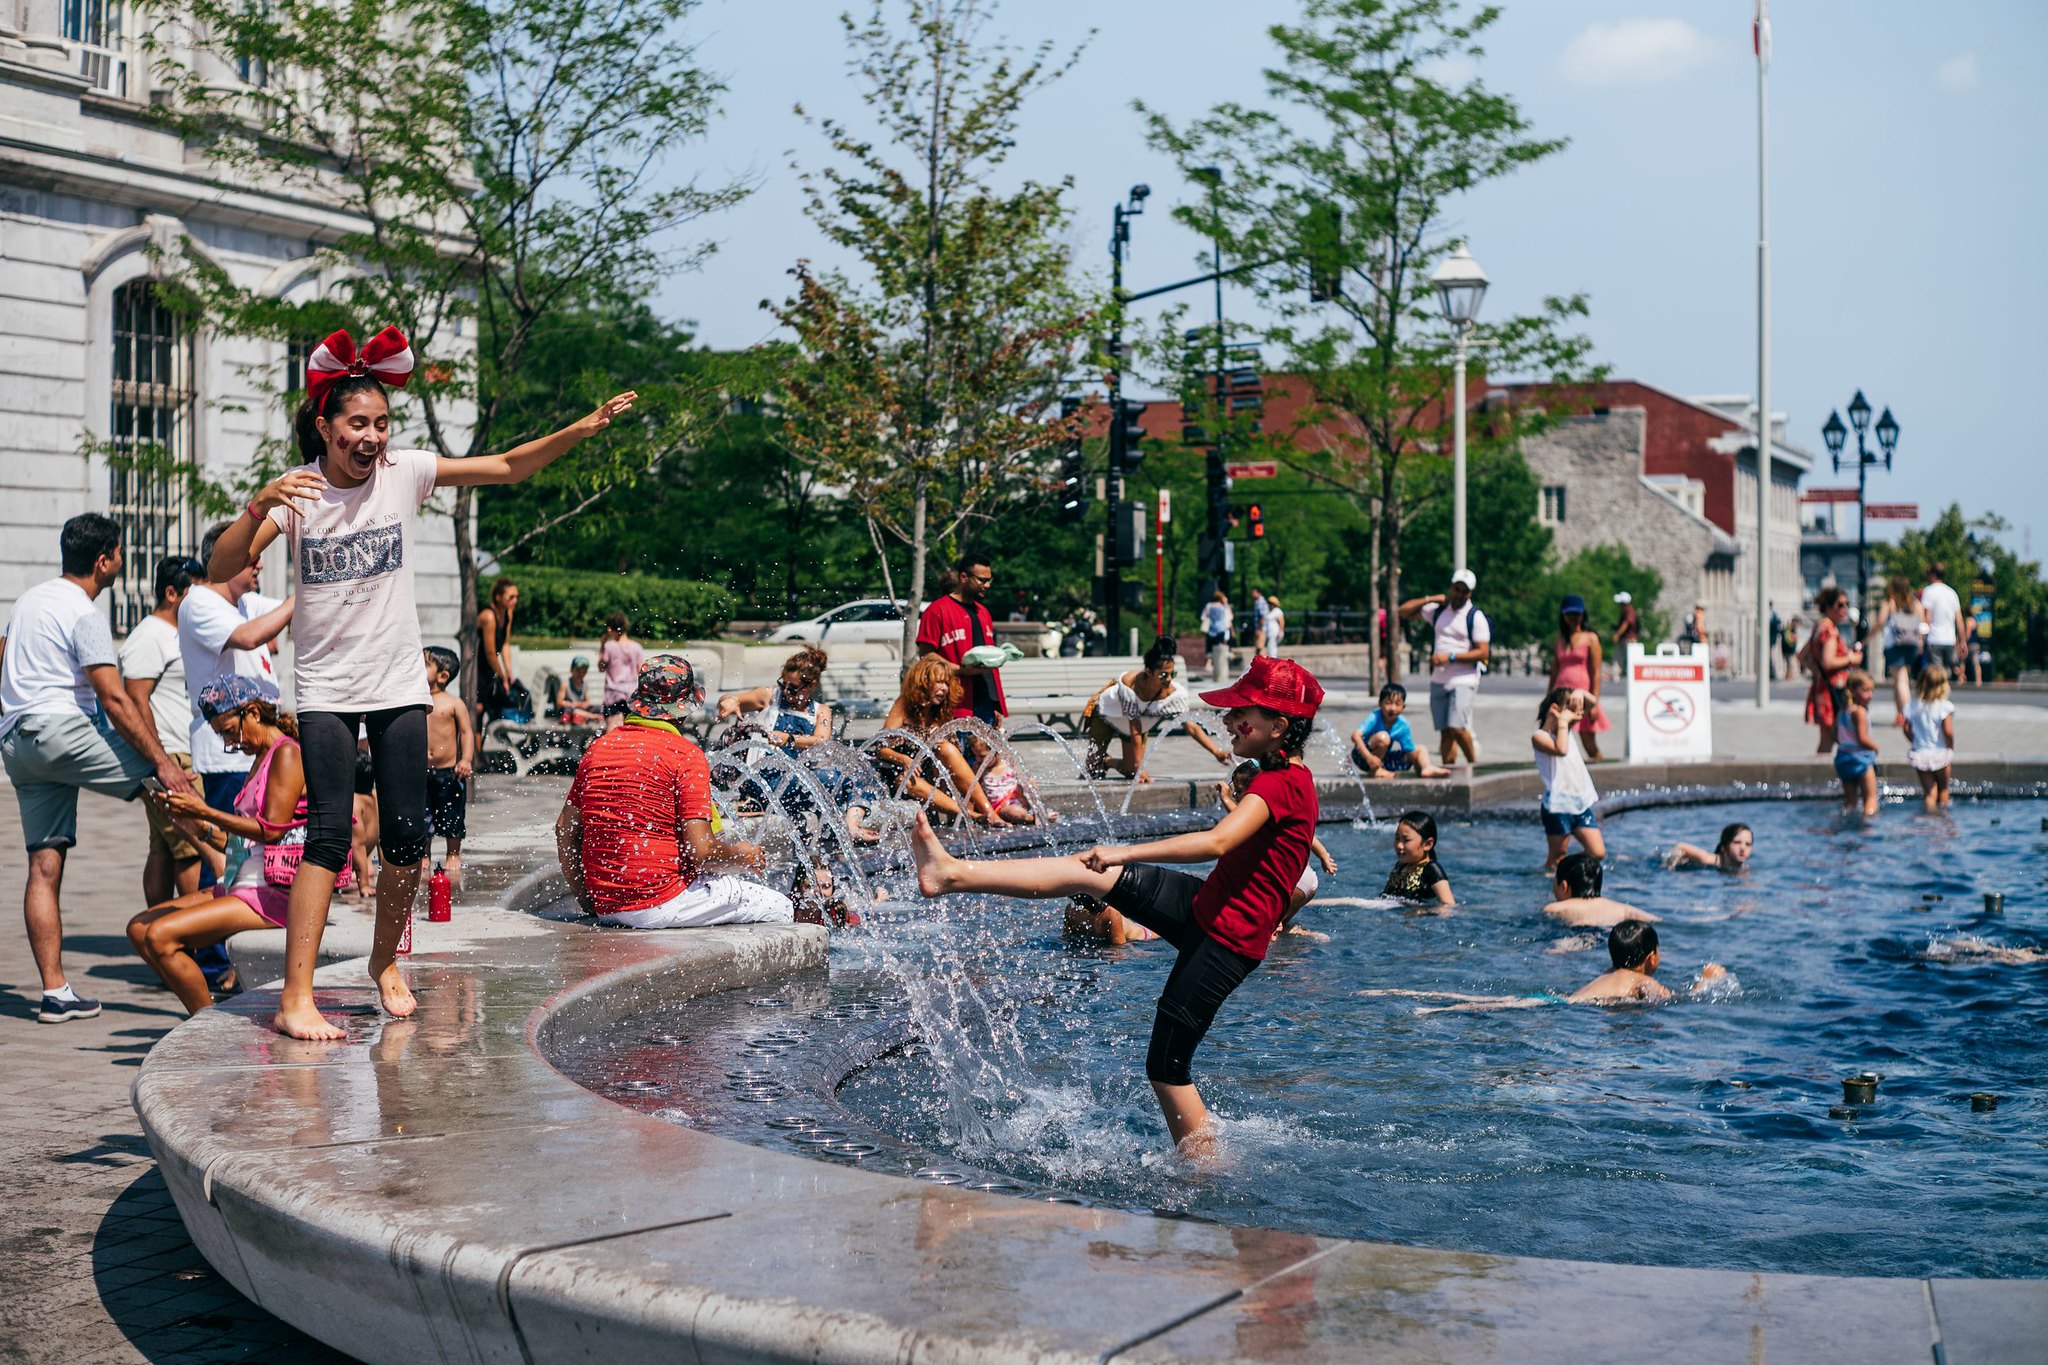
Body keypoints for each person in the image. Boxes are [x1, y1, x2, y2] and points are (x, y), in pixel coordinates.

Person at [210, 322, 636, 1038]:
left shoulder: (405, 472)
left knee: (409, 834)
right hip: (325, 689)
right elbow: (223, 567)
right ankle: (295, 996)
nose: (372, 436)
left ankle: (384, 961)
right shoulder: (298, 494)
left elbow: (505, 467)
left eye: (381, 422)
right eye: (356, 423)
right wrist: (258, 502)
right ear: (325, 425)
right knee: (328, 833)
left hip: (399, 682)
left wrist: (582, 428)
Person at [906, 655, 1324, 1157]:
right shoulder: (1278, 778)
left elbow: (1217, 843)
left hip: (1225, 941)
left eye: (1242, 713)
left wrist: (1125, 850)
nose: (1229, 721)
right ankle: (950, 873)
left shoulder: (1280, 784)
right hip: (1207, 909)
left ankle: (1207, 1179)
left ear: (1278, 727)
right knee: (1091, 874)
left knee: (1166, 1069)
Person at [0, 514, 197, 1022]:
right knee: (176, 795)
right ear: (104, 560)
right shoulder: (83, 612)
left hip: (20, 742)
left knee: (44, 863)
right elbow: (113, 697)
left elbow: (2, 658)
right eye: (119, 553)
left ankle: (55, 994)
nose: (122, 561)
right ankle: (227, 937)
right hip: (63, 732)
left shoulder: (29, 601)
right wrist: (162, 763)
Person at [125, 678, 322, 1015]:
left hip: (274, 892)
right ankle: (207, 1010)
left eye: (230, 731)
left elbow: (271, 831)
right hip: (242, 880)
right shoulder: (261, 757)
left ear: (254, 713)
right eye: (223, 736)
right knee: (139, 928)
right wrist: (192, 824)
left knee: (159, 936)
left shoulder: (287, 753)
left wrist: (205, 810)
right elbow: (240, 843)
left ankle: (205, 1022)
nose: (230, 742)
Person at [555, 656, 795, 928]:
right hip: (662, 901)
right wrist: (743, 856)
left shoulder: (598, 749)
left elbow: (564, 829)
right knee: (780, 908)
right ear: (683, 708)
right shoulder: (684, 755)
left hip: (606, 905)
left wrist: (588, 900)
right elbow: (701, 851)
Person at [179, 517, 295, 995]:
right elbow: (249, 638)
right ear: (223, 560)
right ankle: (210, 962)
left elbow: (292, 611)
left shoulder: (242, 601)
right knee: (226, 850)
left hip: (257, 743)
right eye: (251, 557)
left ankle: (232, 947)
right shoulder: (200, 602)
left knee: (245, 851)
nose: (260, 564)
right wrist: (300, 597)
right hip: (228, 748)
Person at [717, 646, 885, 843]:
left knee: (862, 776)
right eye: (783, 684)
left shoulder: (821, 711)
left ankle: (850, 827)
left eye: (793, 687)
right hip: (764, 781)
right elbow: (733, 698)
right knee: (833, 780)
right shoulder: (770, 697)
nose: (786, 691)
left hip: (798, 783)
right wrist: (728, 702)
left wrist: (789, 739)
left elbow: (821, 740)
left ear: (811, 685)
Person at [120, 554, 213, 908]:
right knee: (191, 848)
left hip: (181, 753)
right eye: (195, 590)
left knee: (163, 845)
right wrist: (161, 762)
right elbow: (136, 700)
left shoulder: (180, 633)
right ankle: (193, 941)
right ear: (171, 594)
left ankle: (162, 935)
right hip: (171, 756)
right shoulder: (149, 636)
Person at [1367, 924, 1727, 1013]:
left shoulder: (1611, 975)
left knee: (1487, 1001)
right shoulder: (1639, 982)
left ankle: (1406, 993)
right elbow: (1672, 1000)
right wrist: (1706, 983)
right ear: (1652, 957)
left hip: (1557, 1001)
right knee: (1484, 1006)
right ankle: (1430, 1008)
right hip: (1562, 1008)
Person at [1080, 636, 1232, 780]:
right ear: (1148, 671)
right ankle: (1099, 761)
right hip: (1106, 716)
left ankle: (1107, 761)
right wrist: (1140, 768)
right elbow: (1136, 729)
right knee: (1092, 772)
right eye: (1163, 675)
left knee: (1132, 772)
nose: (1169, 680)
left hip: (1132, 728)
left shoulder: (1174, 696)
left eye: (1173, 674)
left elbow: (1191, 727)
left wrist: (1216, 752)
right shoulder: (1131, 686)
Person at [875, 656, 1001, 823]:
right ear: (924, 683)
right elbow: (881, 748)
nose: (944, 689)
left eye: (946, 683)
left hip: (935, 776)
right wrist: (904, 759)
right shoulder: (904, 705)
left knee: (945, 747)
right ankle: (973, 816)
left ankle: (991, 813)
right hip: (902, 778)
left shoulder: (941, 710)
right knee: (906, 781)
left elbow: (953, 757)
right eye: (939, 682)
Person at [1216, 760, 1336, 935]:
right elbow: (1307, 836)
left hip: (1292, 883)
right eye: (1233, 790)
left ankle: (1298, 938)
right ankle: (1293, 931)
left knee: (1262, 930)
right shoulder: (1280, 809)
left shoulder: (1262, 811)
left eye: (1239, 791)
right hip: (1304, 881)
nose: (1234, 795)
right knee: (1275, 922)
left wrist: (1225, 798)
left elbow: (1237, 820)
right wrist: (1324, 856)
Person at [1399, 569, 1490, 770]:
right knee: (1445, 731)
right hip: (1439, 679)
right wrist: (1429, 599)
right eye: (1456, 589)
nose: (1459, 594)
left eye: (1464, 591)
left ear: (1470, 594)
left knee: (1457, 727)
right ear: (1451, 587)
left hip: (1464, 679)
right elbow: (1403, 611)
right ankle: (1449, 771)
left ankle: (1475, 766)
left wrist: (1450, 657)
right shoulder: (1439, 610)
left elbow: (1483, 652)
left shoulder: (1475, 617)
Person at [916, 551, 1007, 731]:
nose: (987, 585)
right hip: (953, 702)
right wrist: (959, 670)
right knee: (956, 757)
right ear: (964, 577)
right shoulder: (937, 610)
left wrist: (995, 704)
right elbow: (926, 655)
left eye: (989, 580)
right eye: (982, 580)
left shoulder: (984, 613)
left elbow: (989, 663)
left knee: (985, 759)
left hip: (984, 703)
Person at [1533, 687, 1604, 870]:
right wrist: (1563, 721)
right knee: (1557, 856)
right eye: (1571, 708)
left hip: (1579, 803)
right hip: (1557, 806)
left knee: (1597, 852)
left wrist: (1579, 692)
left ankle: (1569, 871)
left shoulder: (1567, 729)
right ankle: (1551, 881)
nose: (1577, 713)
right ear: (1555, 709)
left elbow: (1592, 702)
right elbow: (1561, 750)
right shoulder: (1539, 736)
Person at [423, 647, 474, 886]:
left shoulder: (454, 704)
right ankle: (424, 854)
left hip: (449, 771)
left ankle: (453, 853)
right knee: (422, 815)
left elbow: (466, 732)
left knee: (452, 814)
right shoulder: (418, 701)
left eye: (424, 665)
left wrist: (466, 759)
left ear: (443, 676)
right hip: (421, 771)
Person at [1799, 586, 1862, 755]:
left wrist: (1817, 673)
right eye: (1840, 605)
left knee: (1828, 737)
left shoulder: (1820, 626)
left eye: (1846, 604)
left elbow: (1802, 655)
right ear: (1828, 607)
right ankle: (1820, 776)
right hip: (1833, 690)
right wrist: (1851, 658)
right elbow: (1828, 662)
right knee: (1830, 738)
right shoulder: (1830, 630)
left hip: (1823, 687)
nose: (1845, 609)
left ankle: (1821, 775)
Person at [1547, 595, 1610, 761]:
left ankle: (1604, 778)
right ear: (1564, 616)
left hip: (1581, 697)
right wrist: (1548, 698)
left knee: (1589, 743)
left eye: (1577, 614)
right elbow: (1554, 670)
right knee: (1556, 739)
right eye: (1569, 615)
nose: (1573, 619)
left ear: (1583, 615)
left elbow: (1596, 672)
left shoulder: (1591, 638)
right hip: (1561, 694)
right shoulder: (1560, 639)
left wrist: (1595, 702)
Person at [1350, 682, 1449, 779]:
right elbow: (1355, 735)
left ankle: (1426, 768)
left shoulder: (1403, 725)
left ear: (1403, 707)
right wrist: (1368, 757)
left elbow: (1409, 750)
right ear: (1380, 704)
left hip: (1384, 759)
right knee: (1383, 737)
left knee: (1420, 749)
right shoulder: (1374, 717)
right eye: (1388, 703)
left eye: (1397, 704)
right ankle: (1374, 771)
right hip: (1362, 756)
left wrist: (1417, 764)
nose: (1392, 708)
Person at [1542, 852, 1657, 928]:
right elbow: (1655, 921)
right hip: (1606, 933)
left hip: (1579, 935)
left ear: (1563, 886)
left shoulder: (1555, 908)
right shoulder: (1622, 909)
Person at [1872, 575, 1926, 723]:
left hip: (1895, 644)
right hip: (1912, 644)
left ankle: (1908, 715)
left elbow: (1880, 621)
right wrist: (1921, 642)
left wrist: (1867, 638)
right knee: (1899, 679)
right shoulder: (1915, 603)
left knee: (1901, 678)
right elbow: (1923, 623)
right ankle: (1900, 715)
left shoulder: (1890, 602)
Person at [1904, 663, 1956, 812]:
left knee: (1929, 793)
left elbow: (1906, 728)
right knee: (1943, 790)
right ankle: (1943, 820)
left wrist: (1914, 740)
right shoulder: (1944, 706)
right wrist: (1950, 745)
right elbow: (1948, 731)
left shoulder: (1912, 706)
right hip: (1940, 753)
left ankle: (1927, 820)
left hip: (1921, 753)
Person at [1381, 810, 1454, 908]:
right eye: (1397, 838)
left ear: (1427, 844)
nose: (1399, 845)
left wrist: (1424, 912)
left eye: (1406, 840)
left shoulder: (1432, 869)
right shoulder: (1400, 866)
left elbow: (1449, 906)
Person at [1833, 668, 1880, 816]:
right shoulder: (1859, 712)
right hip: (1861, 759)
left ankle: (1847, 822)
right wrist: (1875, 747)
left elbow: (1836, 735)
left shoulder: (1842, 711)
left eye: (1872, 691)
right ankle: (1868, 826)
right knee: (1871, 798)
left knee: (1850, 802)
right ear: (1852, 690)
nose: (1870, 695)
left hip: (1843, 758)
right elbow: (1862, 738)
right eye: (1865, 690)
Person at [476, 578, 518, 722]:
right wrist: (502, 676)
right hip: (477, 668)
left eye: (517, 597)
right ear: (498, 597)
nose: (515, 600)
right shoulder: (489, 617)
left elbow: (505, 643)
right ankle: (474, 744)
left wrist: (509, 672)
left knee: (493, 708)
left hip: (490, 668)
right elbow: (490, 654)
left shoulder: (508, 613)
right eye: (511, 597)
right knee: (478, 710)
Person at [598, 611, 645, 732]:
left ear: (609, 629)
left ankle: (610, 750)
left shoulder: (609, 646)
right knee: (631, 729)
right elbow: (641, 672)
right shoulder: (636, 647)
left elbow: (601, 667)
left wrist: (602, 646)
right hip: (631, 693)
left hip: (613, 694)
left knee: (612, 728)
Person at [1920, 563, 1963, 674]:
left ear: (1933, 575)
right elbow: (1959, 620)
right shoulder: (1952, 593)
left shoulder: (1929, 591)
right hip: (1950, 639)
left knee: (1935, 674)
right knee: (1947, 674)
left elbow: (1927, 618)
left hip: (1935, 639)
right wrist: (1962, 641)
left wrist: (1921, 638)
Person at [1667, 823, 1753, 873]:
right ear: (1724, 847)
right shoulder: (1707, 859)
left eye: (1748, 844)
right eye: (1737, 842)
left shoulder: (1744, 869)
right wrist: (1672, 863)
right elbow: (1680, 846)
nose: (1743, 848)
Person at [546, 656, 601, 726]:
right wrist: (574, 704)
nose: (580, 674)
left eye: (583, 672)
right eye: (578, 671)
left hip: (579, 709)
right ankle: (592, 717)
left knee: (599, 708)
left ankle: (588, 716)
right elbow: (559, 703)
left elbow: (587, 701)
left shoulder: (584, 684)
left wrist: (584, 704)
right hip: (568, 710)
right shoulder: (565, 684)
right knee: (571, 710)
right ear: (571, 670)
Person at [1611, 590, 1640, 680]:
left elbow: (1626, 623)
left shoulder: (1629, 611)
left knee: (1620, 658)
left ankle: (1619, 676)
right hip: (1626, 639)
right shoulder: (1627, 610)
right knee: (1623, 658)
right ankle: (1621, 676)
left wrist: (1617, 634)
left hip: (1628, 639)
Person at [1200, 592, 1232, 666]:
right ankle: (1218, 664)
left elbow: (1203, 617)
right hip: (1221, 629)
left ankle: (1208, 664)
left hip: (1211, 629)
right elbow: (1229, 617)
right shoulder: (1223, 607)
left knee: (1209, 648)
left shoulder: (1209, 605)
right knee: (1220, 647)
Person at [1249, 589, 1269, 656]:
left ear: (1258, 593)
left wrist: (1259, 629)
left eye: (1253, 593)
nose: (1252, 595)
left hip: (1261, 629)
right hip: (1260, 628)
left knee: (1260, 648)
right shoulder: (1258, 602)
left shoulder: (1260, 602)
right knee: (1259, 649)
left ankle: (1263, 665)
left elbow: (1262, 617)